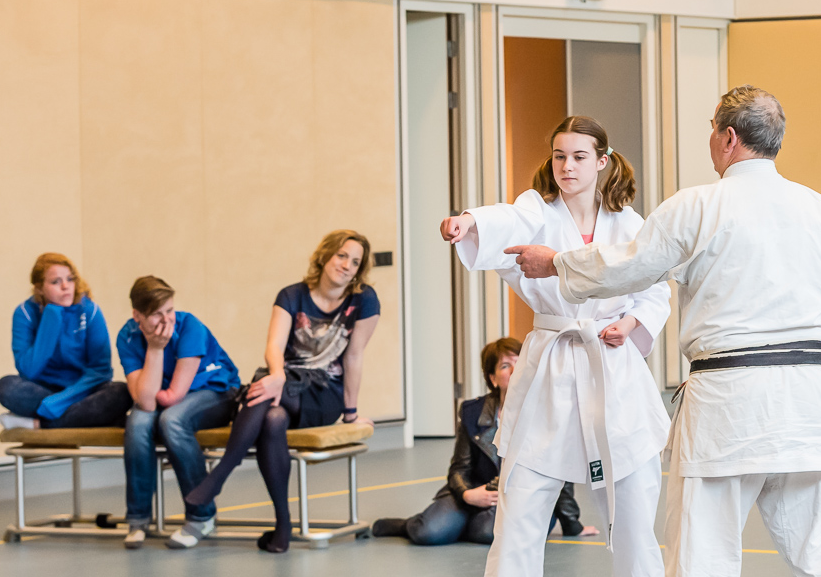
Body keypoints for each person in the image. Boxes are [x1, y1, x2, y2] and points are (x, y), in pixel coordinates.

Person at [506, 86, 821, 577]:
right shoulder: (819, 208)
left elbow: (629, 266)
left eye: (714, 130)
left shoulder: (699, 206)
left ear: (728, 138)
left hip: (728, 396)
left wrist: (556, 262)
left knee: (704, 545)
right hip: (805, 393)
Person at [440, 115, 673, 577]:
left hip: (613, 371)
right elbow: (504, 221)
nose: (566, 167)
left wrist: (633, 322)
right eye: (559, 155)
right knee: (518, 516)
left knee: (636, 520)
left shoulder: (631, 224)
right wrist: (468, 221)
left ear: (603, 160)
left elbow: (656, 287)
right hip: (549, 369)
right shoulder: (535, 211)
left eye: (578, 156)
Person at [185, 230, 380, 553]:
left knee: (263, 390)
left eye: (355, 262)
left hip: (324, 393)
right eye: (342, 256)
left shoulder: (364, 300)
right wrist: (277, 375)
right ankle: (283, 526)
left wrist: (351, 414)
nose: (347, 266)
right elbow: (274, 345)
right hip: (286, 385)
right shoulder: (291, 295)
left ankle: (221, 474)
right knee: (273, 418)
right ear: (326, 255)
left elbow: (354, 355)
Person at [367, 338, 596, 546]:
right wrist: (468, 495)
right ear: (493, 379)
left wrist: (571, 523)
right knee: (428, 532)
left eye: (521, 363)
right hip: (476, 490)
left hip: (523, 497)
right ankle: (411, 524)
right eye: (506, 366)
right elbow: (459, 467)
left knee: (489, 532)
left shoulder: (549, 411)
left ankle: (461, 525)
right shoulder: (473, 412)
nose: (515, 370)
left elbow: (560, 473)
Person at [116, 277, 241, 550]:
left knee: (172, 421)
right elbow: (146, 404)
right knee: (137, 423)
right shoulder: (127, 336)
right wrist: (155, 348)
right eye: (156, 315)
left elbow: (173, 396)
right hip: (163, 394)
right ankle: (138, 519)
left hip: (215, 392)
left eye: (169, 311)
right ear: (137, 316)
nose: (166, 321)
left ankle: (201, 515)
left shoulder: (190, 327)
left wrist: (149, 389)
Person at [0, 253, 130, 430]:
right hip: (42, 390)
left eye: (70, 279)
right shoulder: (24, 313)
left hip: (83, 390)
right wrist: (52, 316)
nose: (66, 287)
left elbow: (101, 371)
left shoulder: (89, 310)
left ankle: (37, 424)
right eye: (55, 282)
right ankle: (92, 419)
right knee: (6, 387)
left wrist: (60, 401)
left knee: (121, 393)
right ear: (39, 288)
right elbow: (29, 371)